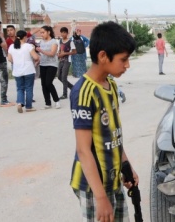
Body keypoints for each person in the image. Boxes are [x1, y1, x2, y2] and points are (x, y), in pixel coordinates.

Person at [70, 21, 138, 222]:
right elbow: (83, 150)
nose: (127, 65)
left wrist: (126, 167)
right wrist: (100, 197)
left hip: (113, 180)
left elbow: (114, 135)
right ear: (102, 56)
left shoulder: (111, 85)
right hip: (94, 187)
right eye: (123, 59)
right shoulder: (84, 92)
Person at [7, 30, 40, 113]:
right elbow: (36, 57)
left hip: (17, 71)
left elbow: (9, 59)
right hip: (28, 70)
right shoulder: (28, 46)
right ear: (25, 37)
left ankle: (19, 103)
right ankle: (29, 107)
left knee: (20, 89)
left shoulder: (11, 46)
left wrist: (17, 62)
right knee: (29, 88)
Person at [36, 25, 61, 109]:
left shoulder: (53, 42)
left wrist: (41, 50)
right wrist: (37, 61)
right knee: (43, 84)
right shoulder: (41, 42)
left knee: (48, 83)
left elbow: (52, 53)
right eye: (41, 33)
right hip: (43, 64)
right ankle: (48, 103)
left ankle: (57, 101)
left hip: (52, 65)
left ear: (48, 32)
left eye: (43, 32)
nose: (42, 34)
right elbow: (41, 55)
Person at [58, 27, 76, 99]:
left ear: (67, 33)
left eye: (64, 32)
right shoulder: (60, 41)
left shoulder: (70, 42)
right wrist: (59, 54)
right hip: (61, 60)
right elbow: (60, 49)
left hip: (67, 61)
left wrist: (65, 53)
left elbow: (74, 52)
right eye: (62, 32)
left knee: (64, 77)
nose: (63, 34)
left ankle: (64, 94)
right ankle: (72, 87)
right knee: (59, 76)